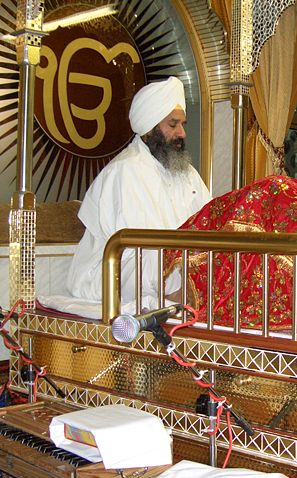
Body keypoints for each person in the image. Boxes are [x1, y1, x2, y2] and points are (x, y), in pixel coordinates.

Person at [67, 76, 211, 306]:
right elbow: (141, 253)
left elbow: (209, 224)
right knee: (160, 259)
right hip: (112, 277)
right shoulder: (125, 172)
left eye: (182, 124)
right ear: (148, 130)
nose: (182, 133)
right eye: (173, 125)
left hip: (175, 275)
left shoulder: (188, 174)